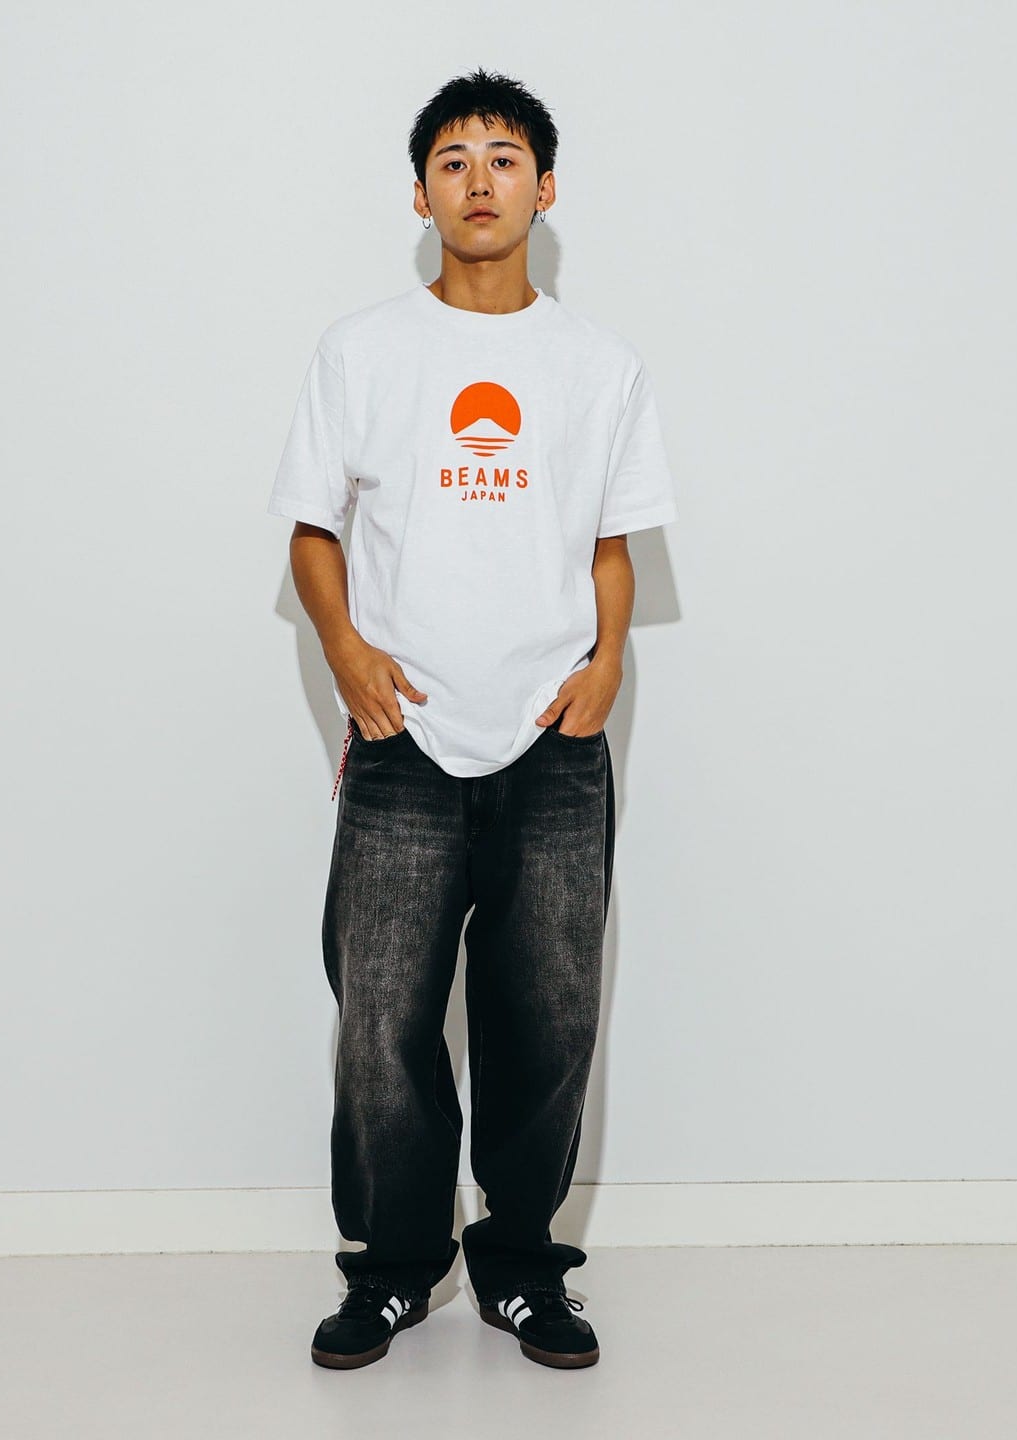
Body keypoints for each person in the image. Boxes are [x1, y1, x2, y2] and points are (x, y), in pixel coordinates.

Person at [267, 67, 679, 1370]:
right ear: (421, 195)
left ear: (544, 188)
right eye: (453, 161)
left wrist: (606, 666)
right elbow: (313, 529)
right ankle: (393, 1270)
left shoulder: (598, 365)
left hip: (555, 742)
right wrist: (346, 653)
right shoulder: (362, 350)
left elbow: (612, 544)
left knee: (547, 1017)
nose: (479, 180)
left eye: (504, 158)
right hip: (403, 743)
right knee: (382, 1018)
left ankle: (522, 1267)